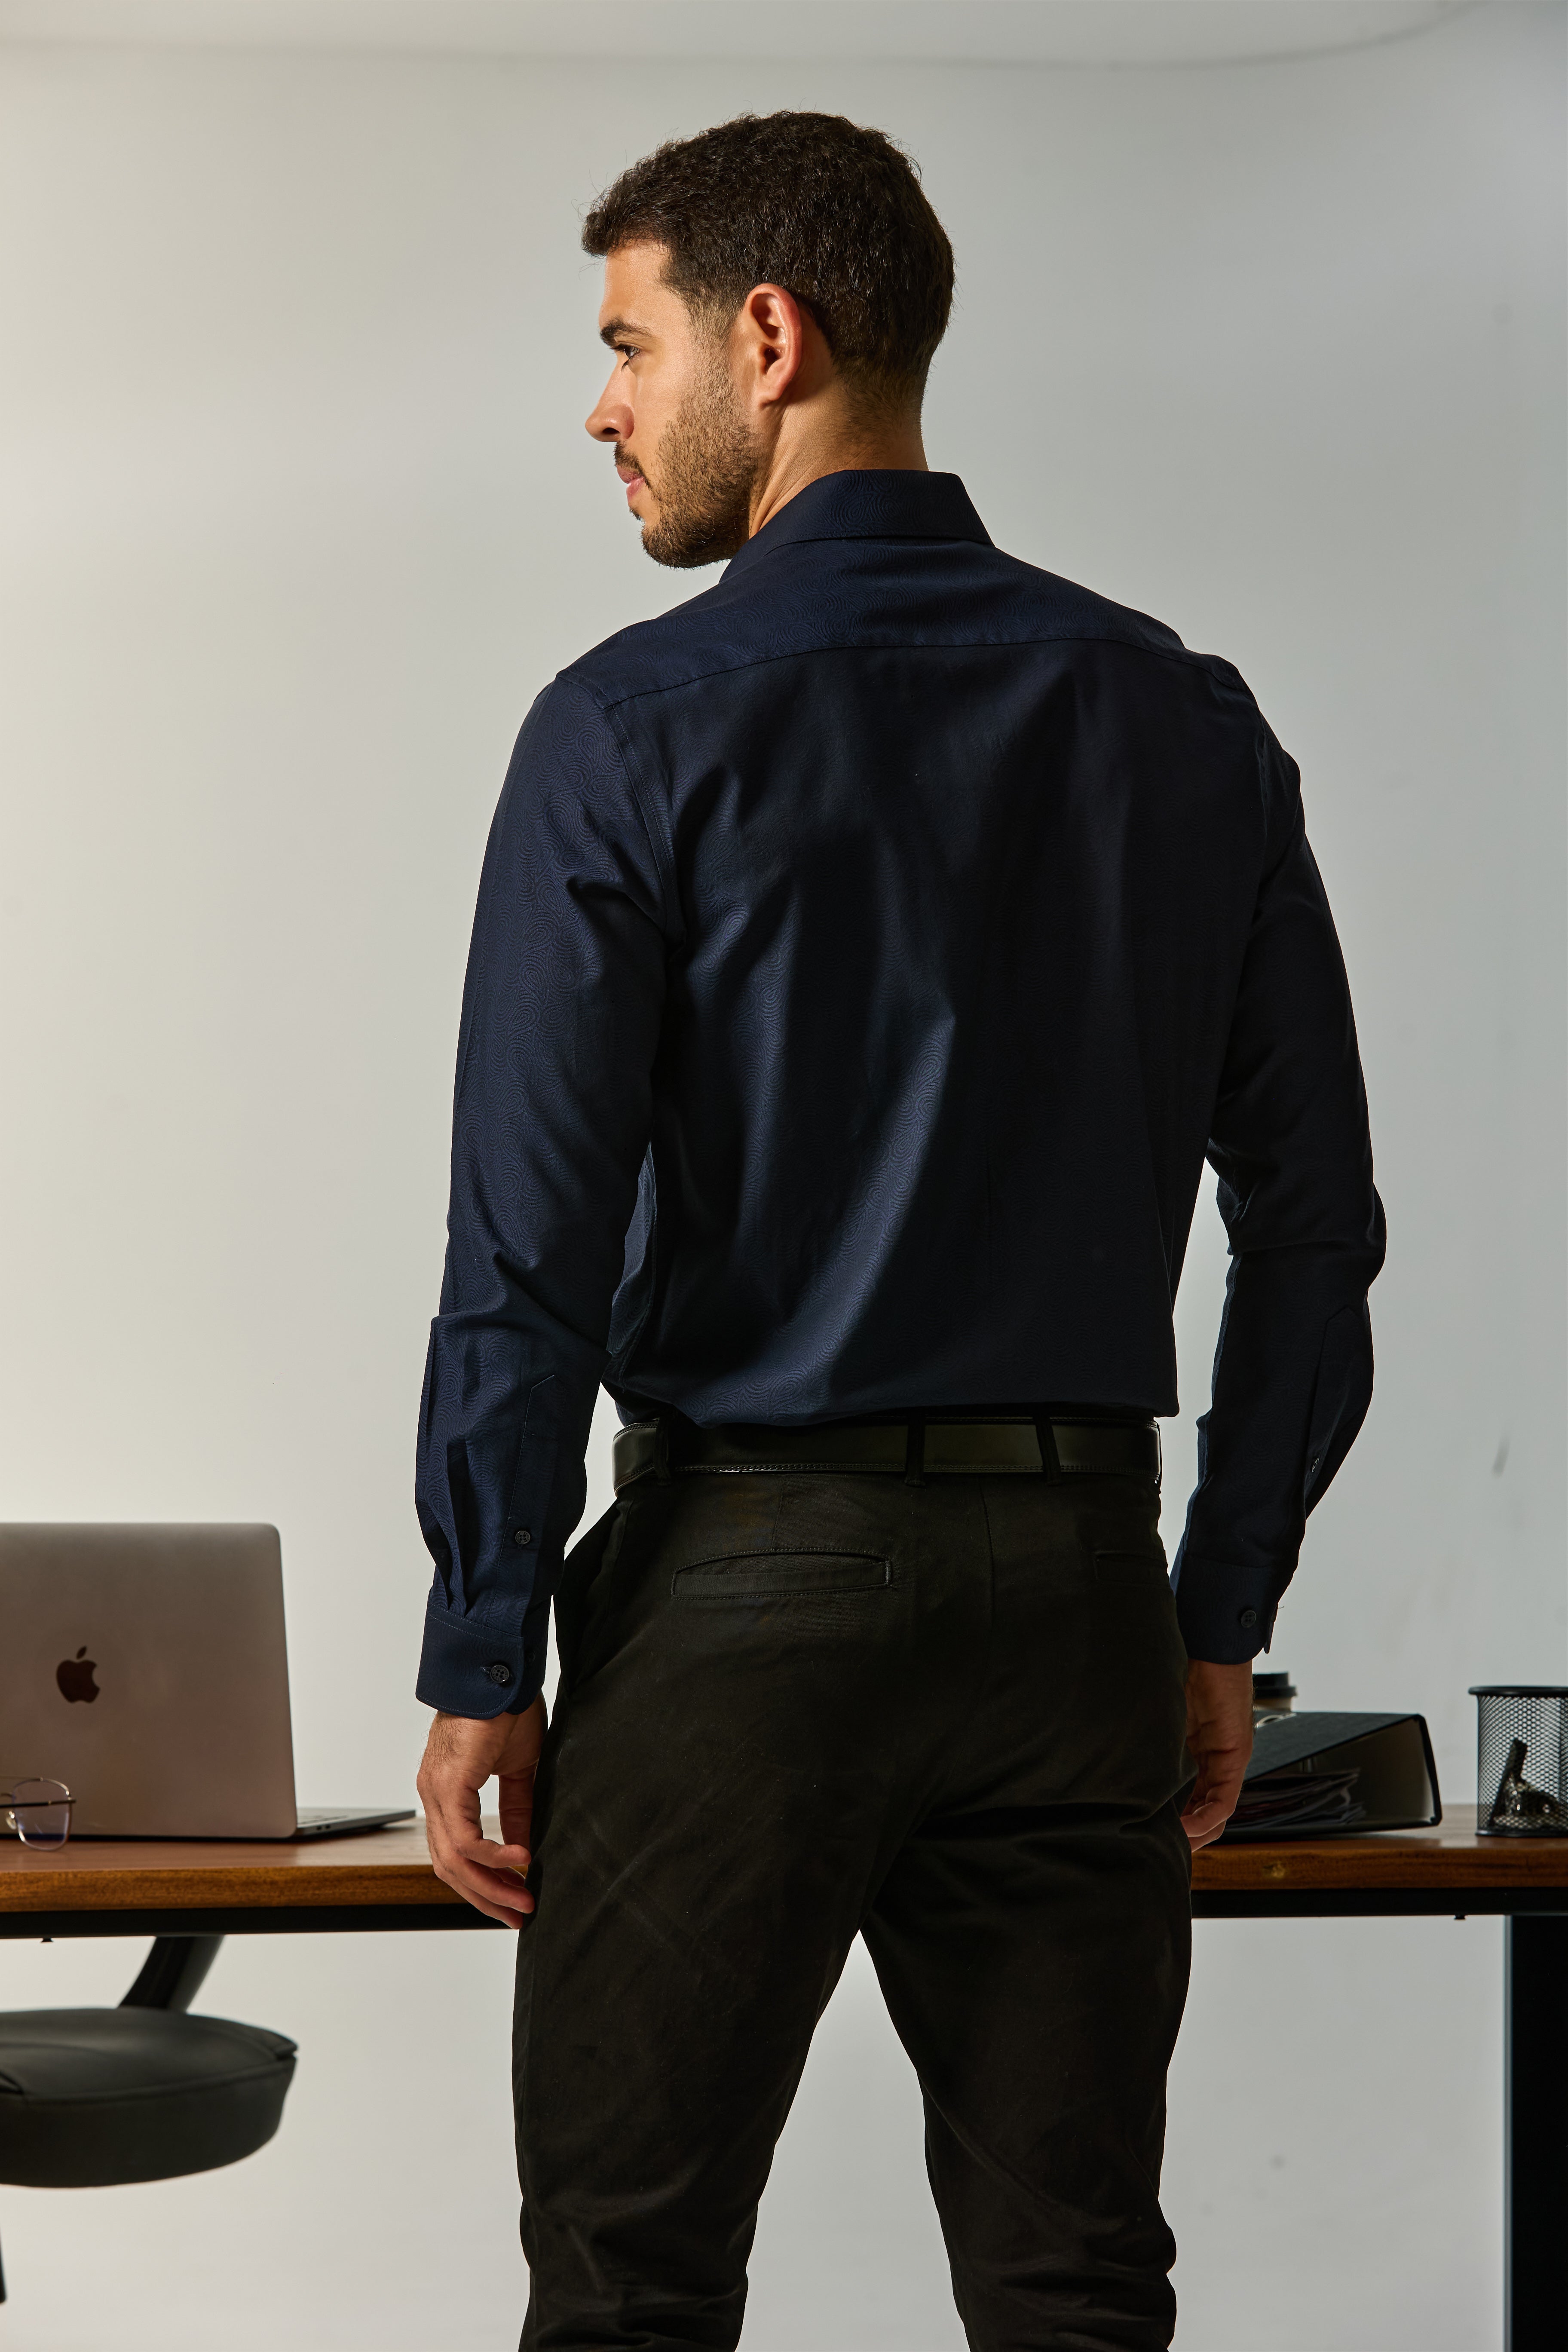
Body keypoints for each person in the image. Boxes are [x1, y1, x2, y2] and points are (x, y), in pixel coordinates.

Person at [413, 110, 1384, 2352]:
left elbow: (530, 1249)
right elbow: (1316, 1230)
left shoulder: (627, 729)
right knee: (1076, 2289)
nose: (602, 408)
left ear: (768, 337)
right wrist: (1215, 1617)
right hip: (1076, 1602)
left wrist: (483, 1645)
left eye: (628, 345)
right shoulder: (1188, 722)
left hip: (742, 1598)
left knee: (630, 2290)